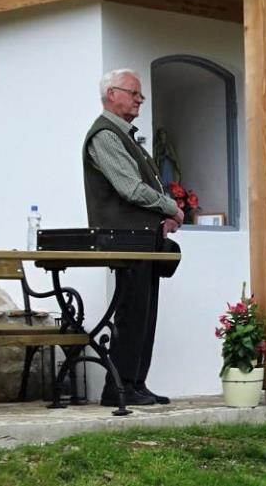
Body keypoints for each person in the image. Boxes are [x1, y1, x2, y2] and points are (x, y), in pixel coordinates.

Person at [83, 68, 184, 407]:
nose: (140, 99)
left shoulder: (125, 136)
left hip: (140, 238)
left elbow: (141, 189)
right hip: (124, 239)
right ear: (112, 94)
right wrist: (171, 207)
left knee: (144, 312)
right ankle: (119, 387)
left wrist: (162, 217)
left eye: (140, 94)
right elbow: (130, 188)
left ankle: (136, 382)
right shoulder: (105, 135)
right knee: (131, 311)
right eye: (133, 92)